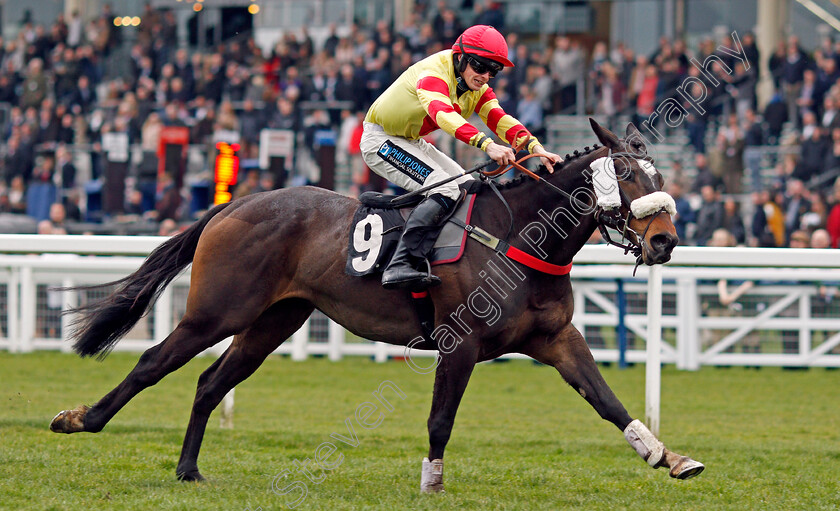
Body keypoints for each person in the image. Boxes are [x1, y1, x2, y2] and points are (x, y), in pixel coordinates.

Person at [360, 25, 561, 290]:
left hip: (409, 140)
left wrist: (535, 147)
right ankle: (401, 264)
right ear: (460, 57)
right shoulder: (433, 73)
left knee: (467, 187)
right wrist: (487, 145)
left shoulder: (476, 85)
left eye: (494, 70)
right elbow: (443, 115)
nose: (486, 76)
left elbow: (498, 118)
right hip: (380, 140)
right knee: (446, 189)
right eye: (480, 66)